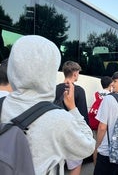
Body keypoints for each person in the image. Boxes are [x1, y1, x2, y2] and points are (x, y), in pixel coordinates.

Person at [0, 35, 95, 174]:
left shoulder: (3, 105)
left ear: (14, 67)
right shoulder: (59, 119)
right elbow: (88, 146)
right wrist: (73, 108)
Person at [55, 60, 89, 175]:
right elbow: (83, 115)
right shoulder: (79, 91)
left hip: (56, 132)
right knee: (75, 165)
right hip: (72, 132)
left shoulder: (54, 89)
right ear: (75, 73)